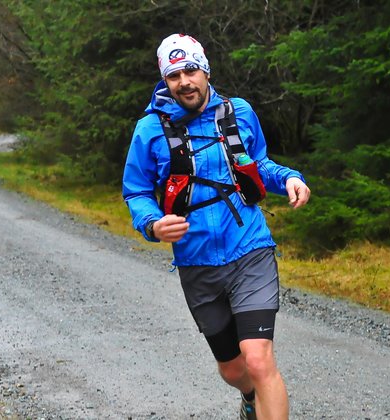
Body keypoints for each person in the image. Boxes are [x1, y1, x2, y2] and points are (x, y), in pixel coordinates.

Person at [122, 34, 310, 420]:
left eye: (190, 70)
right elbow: (137, 191)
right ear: (165, 80)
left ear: (205, 71)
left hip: (249, 249)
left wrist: (289, 178)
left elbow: (260, 165)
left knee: (258, 360)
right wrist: (153, 224)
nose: (184, 81)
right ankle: (249, 399)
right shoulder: (148, 130)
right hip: (197, 262)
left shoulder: (237, 111)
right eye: (174, 75)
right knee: (234, 369)